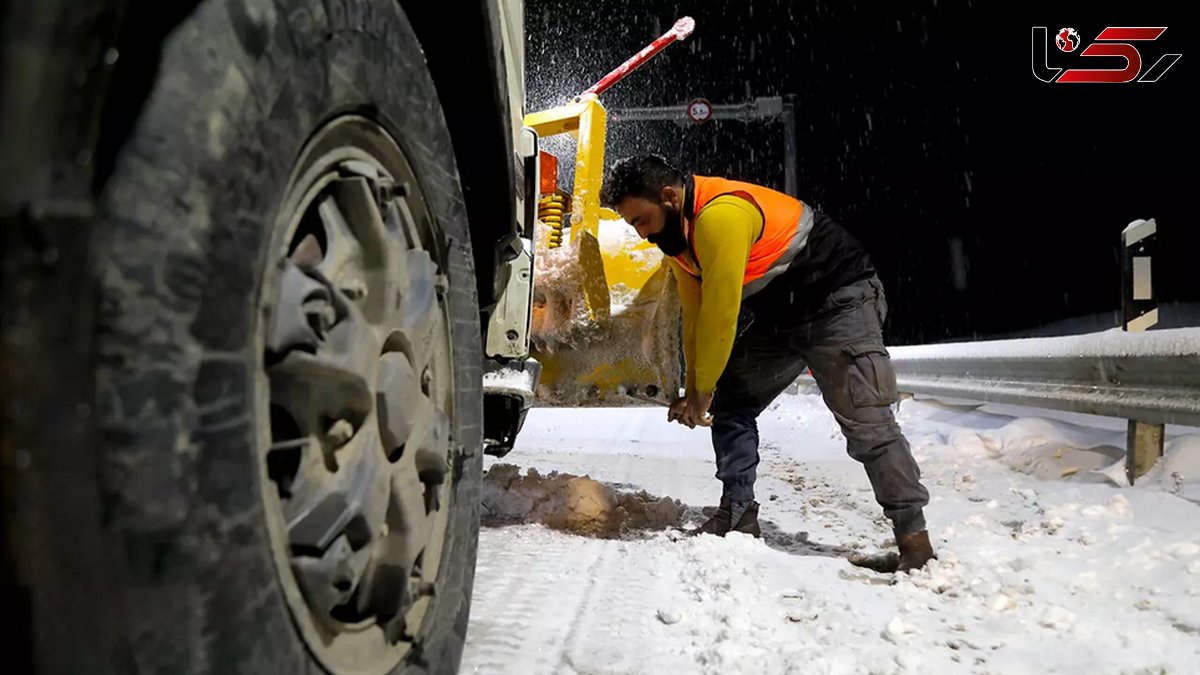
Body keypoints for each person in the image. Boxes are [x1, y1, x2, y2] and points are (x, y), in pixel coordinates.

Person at [601, 155, 934, 572]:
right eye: (632, 225)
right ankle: (738, 515)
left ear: (669, 196)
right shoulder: (679, 242)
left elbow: (722, 313)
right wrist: (696, 387)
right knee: (732, 402)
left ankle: (915, 545)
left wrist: (701, 391)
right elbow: (697, 318)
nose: (641, 233)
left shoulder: (720, 215)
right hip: (784, 319)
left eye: (642, 220)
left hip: (840, 302)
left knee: (867, 422)